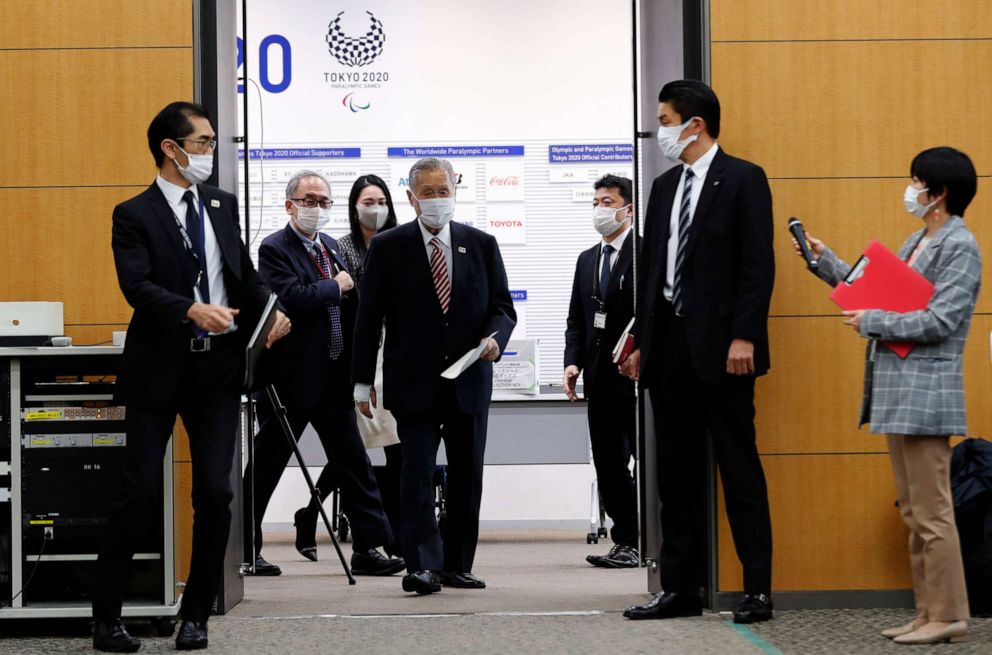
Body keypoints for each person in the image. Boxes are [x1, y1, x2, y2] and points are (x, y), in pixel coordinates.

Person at [92, 101, 290, 652]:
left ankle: (195, 613)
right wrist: (189, 308)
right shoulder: (133, 213)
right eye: (202, 142)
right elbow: (136, 287)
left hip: (218, 371)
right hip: (158, 369)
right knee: (137, 491)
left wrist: (272, 309)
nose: (210, 151)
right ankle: (106, 619)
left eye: (211, 142)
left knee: (216, 491)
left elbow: (242, 274)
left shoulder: (221, 205)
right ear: (170, 149)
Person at [795, 146, 979, 645]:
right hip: (899, 390)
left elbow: (941, 321)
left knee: (933, 511)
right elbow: (872, 290)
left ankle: (949, 615)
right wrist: (825, 261)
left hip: (926, 392)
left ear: (938, 193)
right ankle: (928, 613)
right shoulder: (918, 239)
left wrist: (872, 321)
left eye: (917, 182)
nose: (911, 190)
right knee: (914, 509)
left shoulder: (960, 245)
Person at [620, 80, 775, 624]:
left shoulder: (744, 179)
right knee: (677, 474)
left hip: (725, 350)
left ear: (695, 124)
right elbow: (652, 275)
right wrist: (640, 340)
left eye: (664, 119)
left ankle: (757, 588)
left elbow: (758, 267)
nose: (659, 129)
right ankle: (680, 588)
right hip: (668, 352)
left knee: (739, 467)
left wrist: (745, 335)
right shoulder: (663, 187)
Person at [352, 157, 516, 595]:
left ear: (454, 191)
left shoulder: (482, 244)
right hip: (413, 384)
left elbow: (503, 307)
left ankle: (457, 564)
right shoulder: (390, 246)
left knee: (467, 476)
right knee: (416, 475)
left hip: (468, 382)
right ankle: (422, 564)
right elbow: (368, 319)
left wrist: (496, 337)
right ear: (411, 198)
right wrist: (362, 383)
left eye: (444, 191)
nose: (437, 200)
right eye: (428, 193)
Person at [242, 170, 404, 578]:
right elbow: (291, 298)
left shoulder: (330, 246)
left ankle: (368, 547)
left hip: (333, 378)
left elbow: (349, 308)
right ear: (290, 204)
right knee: (267, 467)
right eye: (308, 200)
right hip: (290, 381)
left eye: (323, 201)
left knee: (354, 463)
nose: (316, 208)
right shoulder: (274, 248)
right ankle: (246, 547)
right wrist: (336, 286)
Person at [290, 174, 405, 559]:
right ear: (354, 207)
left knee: (388, 447)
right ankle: (324, 518)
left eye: (381, 201)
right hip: (361, 356)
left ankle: (387, 535)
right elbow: (345, 304)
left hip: (398, 354)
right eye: (367, 201)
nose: (375, 208)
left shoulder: (402, 243)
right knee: (360, 448)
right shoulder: (341, 248)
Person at [564, 174, 639, 569]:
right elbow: (577, 320)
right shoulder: (587, 259)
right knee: (609, 463)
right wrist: (572, 362)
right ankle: (626, 539)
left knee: (645, 459)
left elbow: (654, 314)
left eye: (608, 202)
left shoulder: (644, 254)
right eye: (596, 202)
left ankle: (651, 537)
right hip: (598, 377)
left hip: (637, 376)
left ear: (628, 208)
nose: (600, 210)